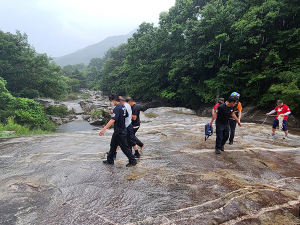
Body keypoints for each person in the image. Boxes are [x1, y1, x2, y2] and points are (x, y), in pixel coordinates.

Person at [99, 94, 137, 167]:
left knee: (124, 147)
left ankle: (133, 161)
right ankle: (110, 160)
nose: (112, 102)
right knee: (113, 145)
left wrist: (104, 129)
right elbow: (126, 116)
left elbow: (113, 120)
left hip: (120, 131)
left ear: (114, 100)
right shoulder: (123, 107)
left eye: (112, 101)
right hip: (119, 130)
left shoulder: (117, 108)